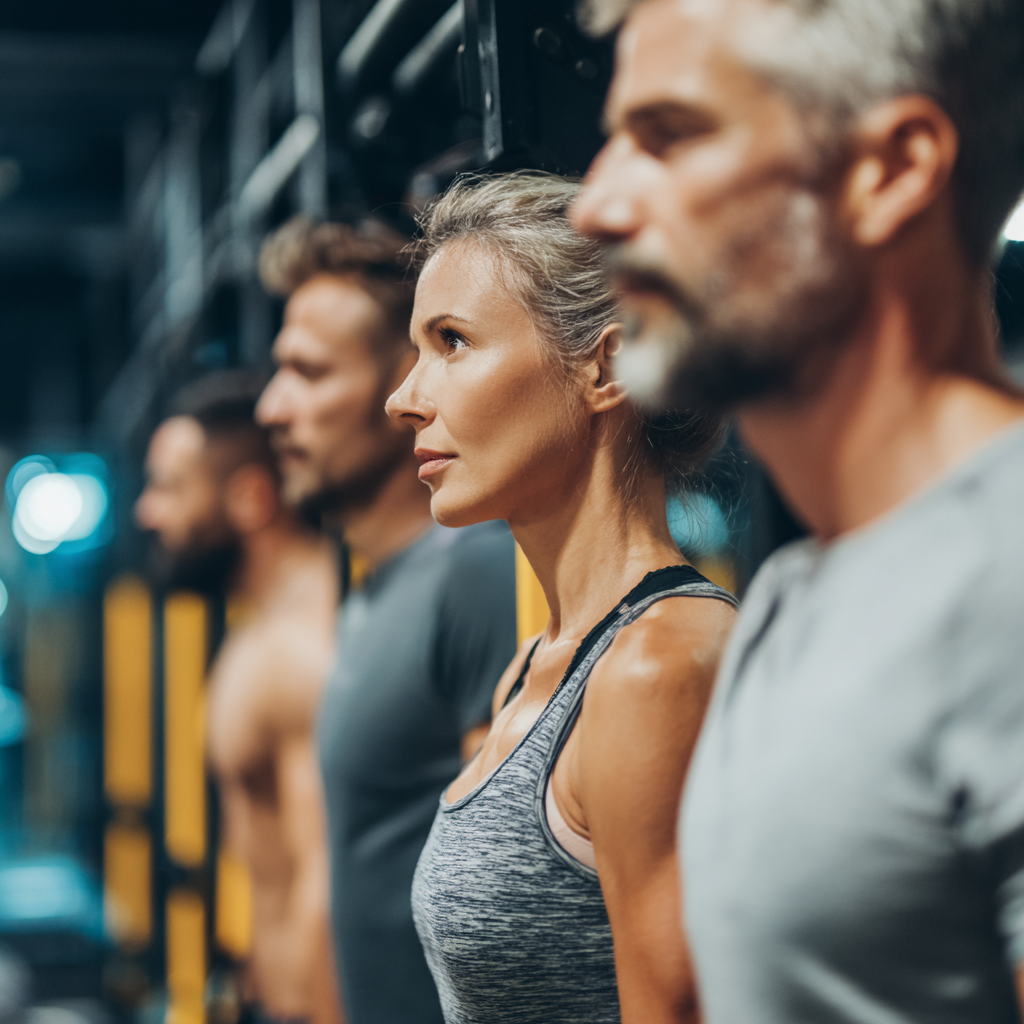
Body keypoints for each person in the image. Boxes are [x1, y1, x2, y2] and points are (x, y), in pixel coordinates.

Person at [573, 1, 1024, 1021]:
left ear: (891, 170)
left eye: (669, 136)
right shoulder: (791, 592)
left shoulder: (1007, 581)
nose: (595, 204)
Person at [385, 171, 737, 1024]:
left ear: (605, 366)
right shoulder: (532, 670)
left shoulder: (658, 667)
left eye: (453, 342)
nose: (403, 399)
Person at [254, 216, 517, 1024]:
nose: (273, 408)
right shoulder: (375, 594)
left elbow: (512, 906)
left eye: (309, 372)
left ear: (405, 384)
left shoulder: (477, 574)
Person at [135, 372, 342, 1024]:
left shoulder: (298, 650)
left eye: (171, 487)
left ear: (250, 498)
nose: (149, 512)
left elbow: (328, 883)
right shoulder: (259, 633)